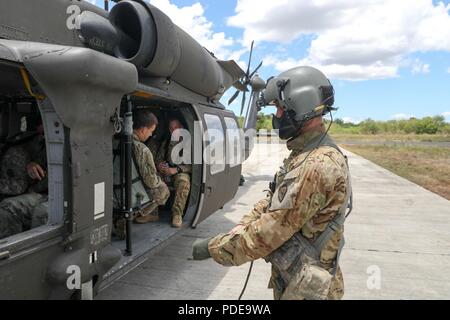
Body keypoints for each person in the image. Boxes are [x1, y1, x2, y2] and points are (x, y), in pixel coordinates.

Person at [191, 66, 352, 300]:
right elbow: (273, 200)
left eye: (279, 107)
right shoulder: (305, 153)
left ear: (300, 106)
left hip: (310, 291)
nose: (276, 115)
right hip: (298, 281)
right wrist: (243, 225)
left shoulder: (315, 166)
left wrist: (213, 248)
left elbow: (268, 232)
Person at [0, 120, 48, 239]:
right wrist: (31, 165)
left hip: (52, 192)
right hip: (34, 189)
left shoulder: (69, 143)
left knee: (9, 206)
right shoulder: (31, 141)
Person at [131, 108, 169, 224]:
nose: (151, 134)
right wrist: (161, 182)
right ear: (143, 130)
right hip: (133, 192)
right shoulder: (142, 149)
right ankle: (135, 214)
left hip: (118, 190)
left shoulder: (116, 141)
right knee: (164, 191)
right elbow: (151, 181)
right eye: (151, 131)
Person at [155, 119, 191, 228]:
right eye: (171, 128)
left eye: (176, 127)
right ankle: (152, 213)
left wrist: (176, 170)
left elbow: (195, 165)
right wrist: (159, 165)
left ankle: (177, 214)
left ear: (182, 127)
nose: (173, 130)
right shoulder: (166, 142)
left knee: (183, 181)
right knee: (151, 177)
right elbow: (158, 158)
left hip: (180, 171)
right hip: (166, 170)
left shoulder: (188, 143)